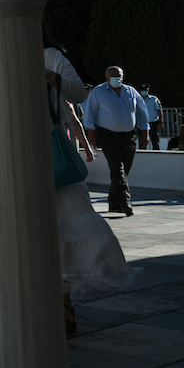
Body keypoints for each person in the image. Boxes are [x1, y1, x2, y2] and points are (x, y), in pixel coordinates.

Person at [44, 42, 132, 333]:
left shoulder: (52, 57)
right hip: (16, 150)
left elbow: (78, 93)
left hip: (51, 152)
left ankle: (63, 302)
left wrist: (51, 77)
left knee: (65, 224)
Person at [81, 66, 149, 216]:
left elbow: (142, 112)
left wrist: (145, 132)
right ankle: (125, 202)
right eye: (112, 75)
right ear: (106, 77)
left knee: (124, 170)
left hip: (129, 135)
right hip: (108, 135)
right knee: (117, 169)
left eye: (118, 75)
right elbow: (89, 114)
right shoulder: (98, 92)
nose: (116, 78)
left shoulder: (130, 91)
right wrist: (91, 134)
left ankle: (114, 202)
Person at [139, 83, 163, 149]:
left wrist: (161, 122)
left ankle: (157, 155)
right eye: (142, 90)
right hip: (142, 124)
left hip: (153, 123)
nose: (144, 91)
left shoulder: (154, 99)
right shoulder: (137, 99)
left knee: (155, 141)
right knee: (142, 142)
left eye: (145, 90)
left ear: (148, 90)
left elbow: (159, 111)